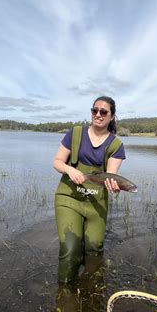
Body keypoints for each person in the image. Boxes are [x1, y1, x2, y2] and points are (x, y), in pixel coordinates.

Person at [53, 96, 126, 283]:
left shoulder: (116, 145)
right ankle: (65, 292)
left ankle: (90, 288)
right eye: (95, 110)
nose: (98, 115)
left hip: (96, 202)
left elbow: (110, 175)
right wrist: (70, 169)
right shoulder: (75, 133)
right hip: (69, 198)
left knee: (94, 250)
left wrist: (113, 186)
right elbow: (57, 162)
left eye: (104, 112)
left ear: (112, 116)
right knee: (70, 249)